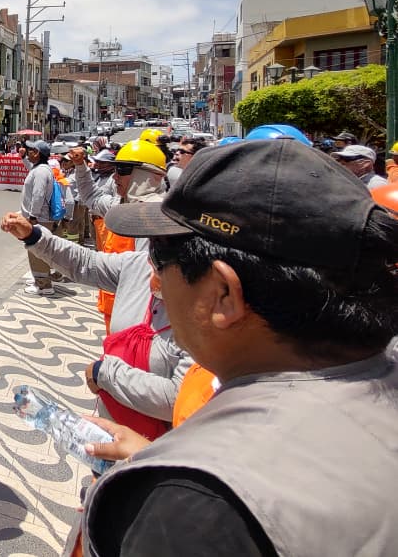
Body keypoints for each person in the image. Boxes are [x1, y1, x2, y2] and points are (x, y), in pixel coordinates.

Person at [77, 138, 398, 556]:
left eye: (161, 257)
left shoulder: (194, 506)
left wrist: (168, 474)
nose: (151, 275)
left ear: (223, 294)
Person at [1, 139, 192, 439]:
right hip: (112, 427)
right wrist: (34, 236)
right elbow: (85, 262)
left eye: (123, 171)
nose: (152, 247)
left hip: (156, 452)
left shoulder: (200, 313)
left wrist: (106, 374)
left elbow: (180, 397)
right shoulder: (138, 266)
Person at [19, 140, 57, 296]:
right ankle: (39, 279)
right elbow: (30, 168)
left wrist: (33, 215)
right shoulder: (38, 168)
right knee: (36, 251)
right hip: (38, 217)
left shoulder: (41, 171)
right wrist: (22, 158)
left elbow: (38, 194)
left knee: (38, 251)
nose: (29, 152)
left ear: (38, 153)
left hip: (39, 218)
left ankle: (44, 285)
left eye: (32, 150)